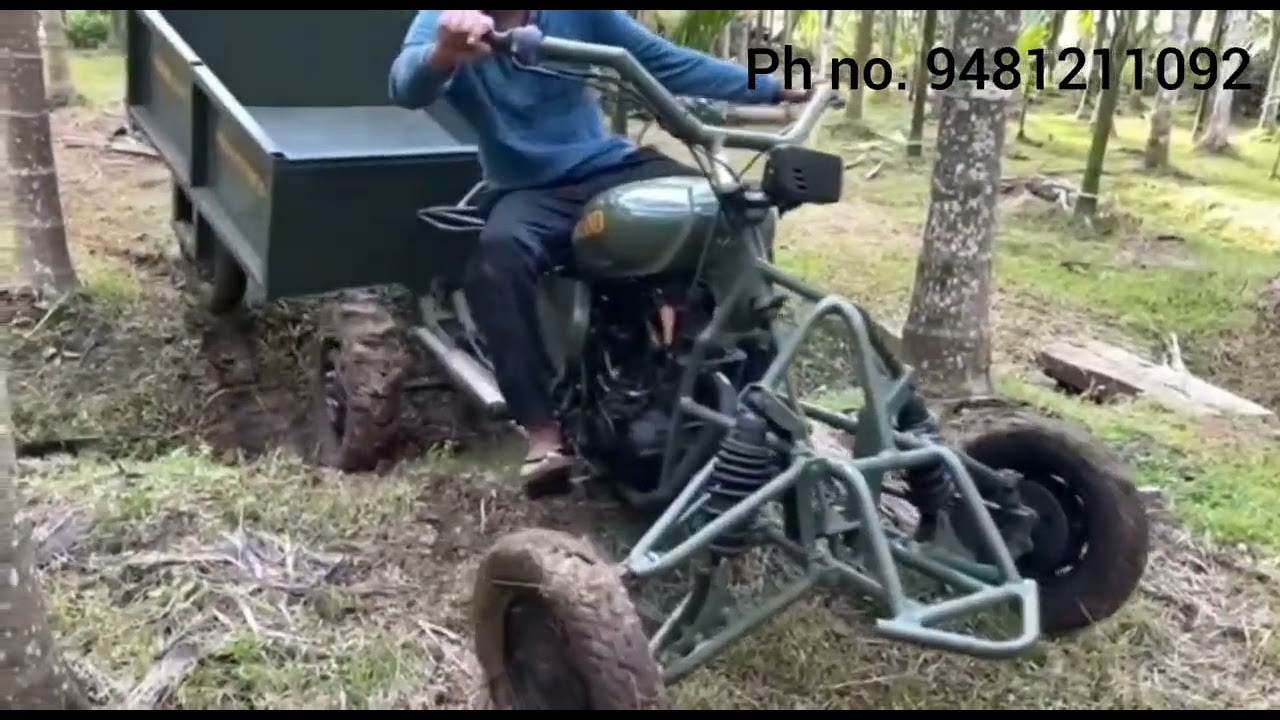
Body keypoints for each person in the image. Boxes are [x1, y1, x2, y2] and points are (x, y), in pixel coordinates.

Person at [389, 10, 809, 490]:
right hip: (528, 186)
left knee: (735, 212)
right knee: (497, 259)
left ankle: (752, 386)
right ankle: (543, 432)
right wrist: (443, 54)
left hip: (608, 163)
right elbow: (405, 85)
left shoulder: (579, 13)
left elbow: (664, 61)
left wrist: (775, 86)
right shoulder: (448, 20)